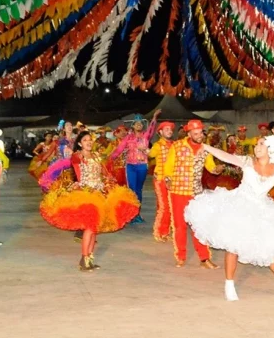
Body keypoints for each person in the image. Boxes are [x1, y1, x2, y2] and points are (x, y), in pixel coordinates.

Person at [186, 135, 274, 301]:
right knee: (232, 245)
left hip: (261, 209)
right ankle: (229, 285)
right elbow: (227, 156)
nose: (257, 147)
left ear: (271, 149)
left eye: (261, 144)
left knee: (266, 246)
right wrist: (206, 146)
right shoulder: (247, 162)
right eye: (257, 144)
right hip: (239, 205)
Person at [40, 131, 140, 271]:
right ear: (80, 143)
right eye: (85, 140)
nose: (88, 142)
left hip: (99, 193)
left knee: (94, 229)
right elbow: (78, 175)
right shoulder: (77, 156)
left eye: (90, 140)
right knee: (90, 227)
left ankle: (89, 258)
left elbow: (105, 174)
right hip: (86, 194)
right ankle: (84, 259)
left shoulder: (97, 156)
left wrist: (110, 184)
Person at [163, 120, 222, 269]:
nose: (199, 136)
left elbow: (210, 167)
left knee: (199, 225)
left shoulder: (205, 149)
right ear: (189, 133)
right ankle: (181, 256)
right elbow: (168, 166)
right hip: (178, 191)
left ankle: (204, 258)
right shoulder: (177, 146)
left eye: (201, 133)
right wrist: (168, 179)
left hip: (196, 193)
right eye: (195, 133)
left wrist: (217, 169)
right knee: (179, 225)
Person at [109, 110, 161, 223]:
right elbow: (119, 149)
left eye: (140, 123)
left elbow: (151, 128)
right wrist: (110, 158)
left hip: (142, 166)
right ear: (133, 126)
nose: (139, 124)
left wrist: (154, 118)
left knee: (138, 190)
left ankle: (137, 214)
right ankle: (131, 214)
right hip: (131, 166)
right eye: (136, 123)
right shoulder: (128, 138)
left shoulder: (146, 137)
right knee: (132, 190)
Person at [148, 121, 175, 242]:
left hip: (172, 180)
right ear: (160, 132)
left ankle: (165, 231)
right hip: (160, 179)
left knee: (169, 205)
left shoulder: (174, 145)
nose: (169, 131)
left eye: (170, 129)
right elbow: (151, 154)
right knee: (164, 206)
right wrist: (145, 150)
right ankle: (158, 232)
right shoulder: (158, 145)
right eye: (166, 129)